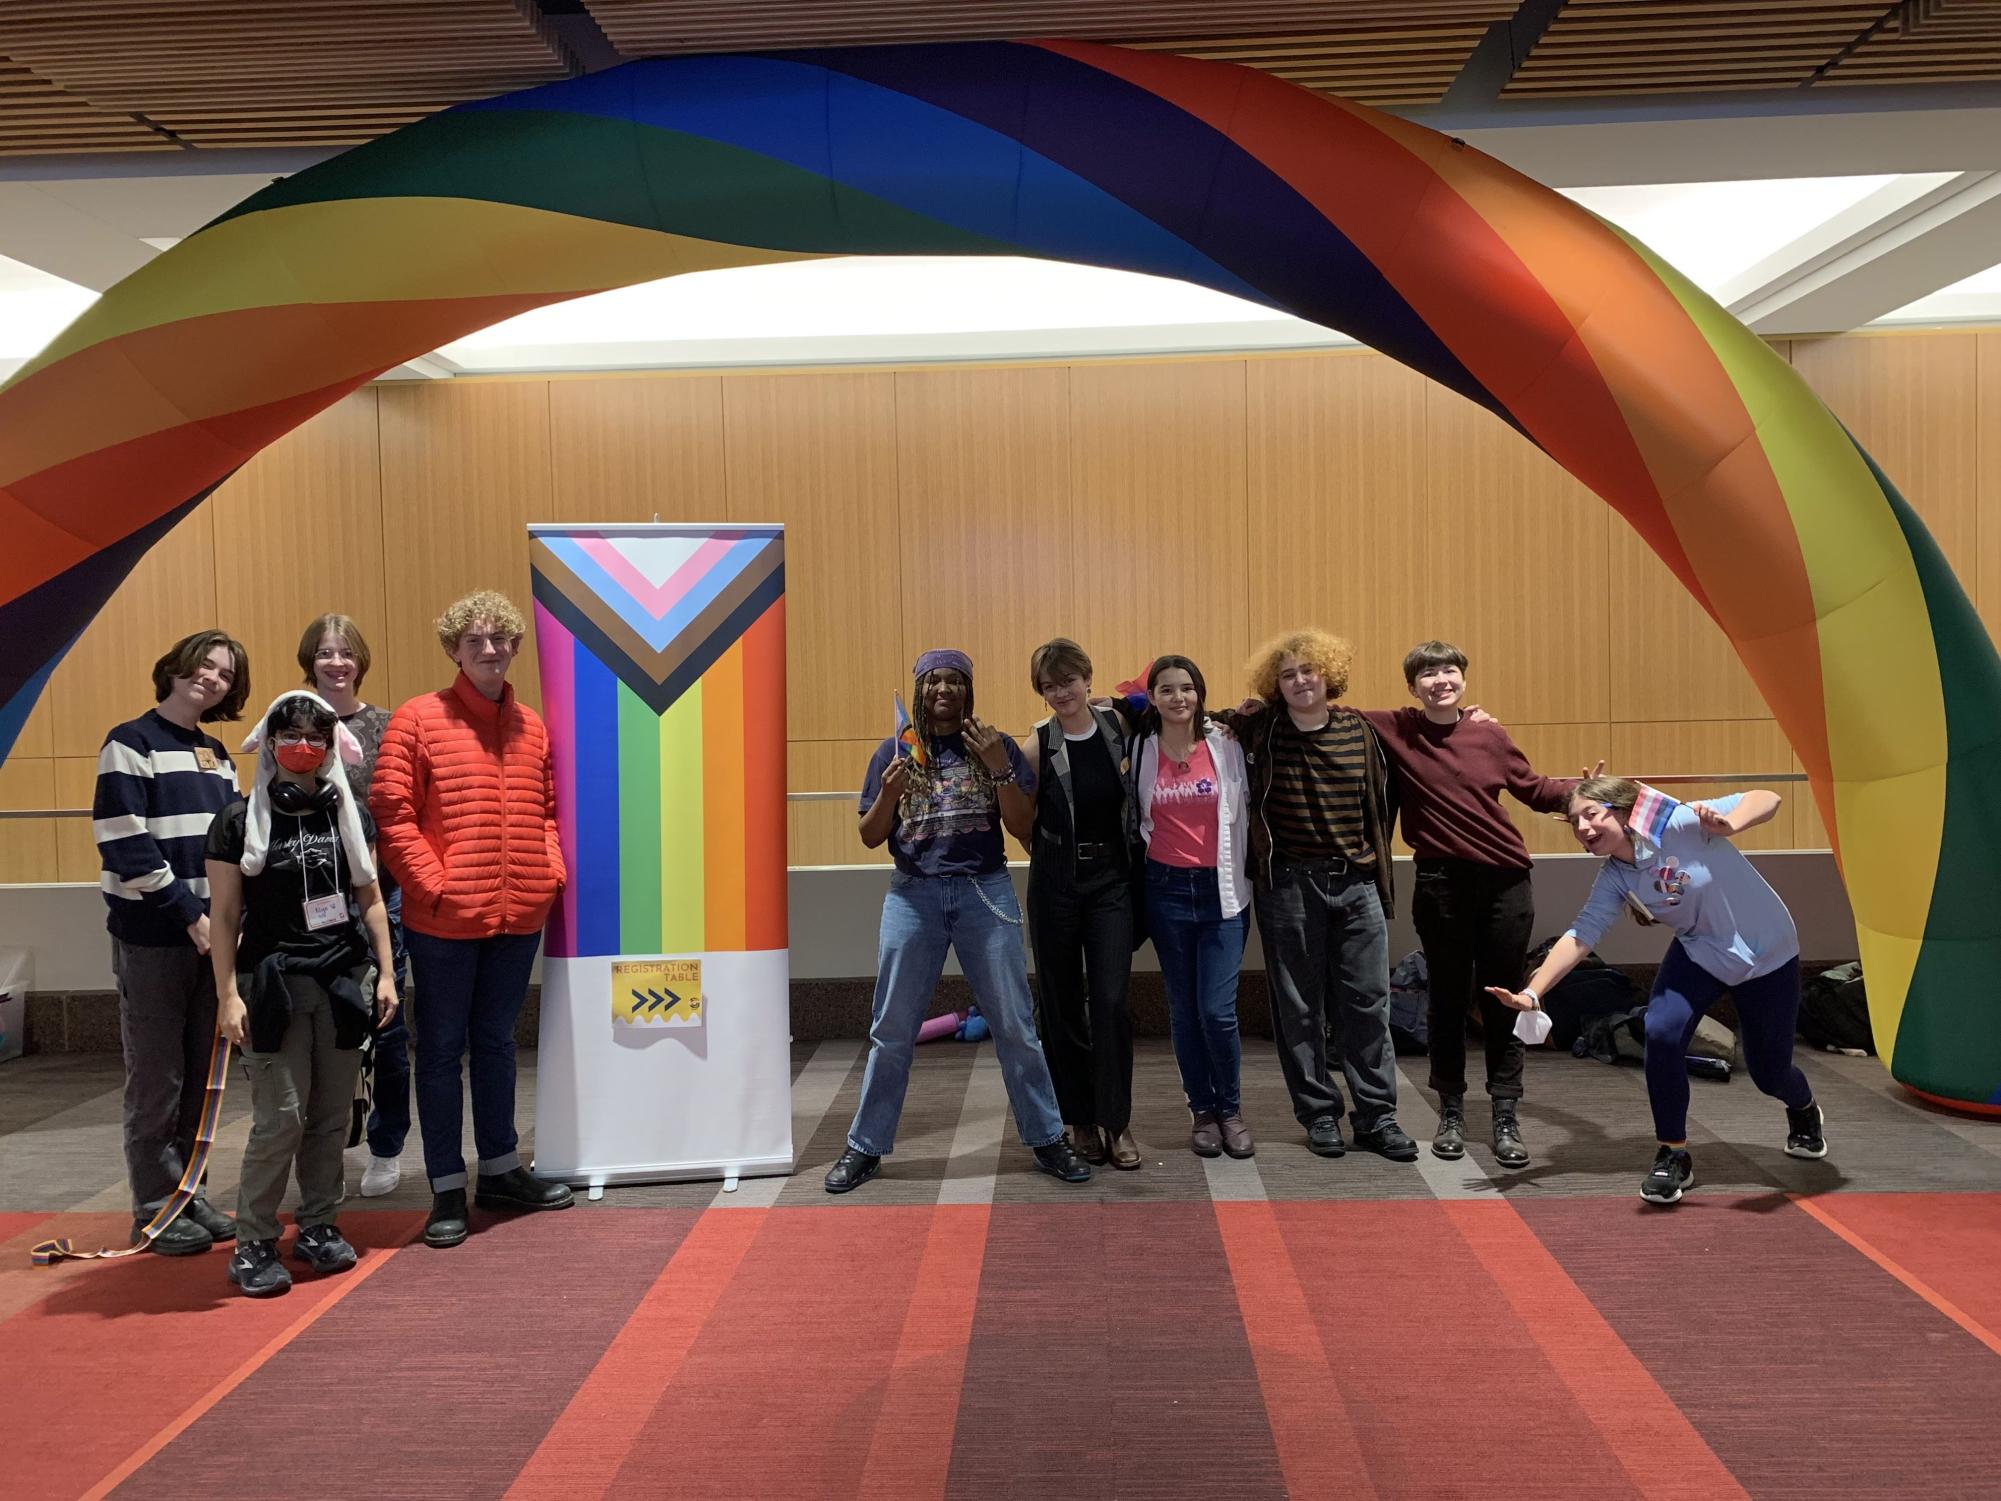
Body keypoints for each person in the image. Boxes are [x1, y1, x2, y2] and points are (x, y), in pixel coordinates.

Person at [1487, 776, 1827, 1205]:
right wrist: (1532, 993)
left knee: (1769, 1073)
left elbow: (1769, 796)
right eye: (1575, 822)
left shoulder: (1681, 823)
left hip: (1770, 955)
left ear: (1623, 811)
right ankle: (1673, 1153)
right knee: (1661, 1031)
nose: (1583, 829)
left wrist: (1731, 823)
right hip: (1700, 952)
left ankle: (1803, 1108)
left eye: (1591, 814)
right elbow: (1582, 933)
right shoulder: (1614, 878)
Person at [825, 649, 1091, 1193]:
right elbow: (871, 835)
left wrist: (998, 766)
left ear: (968, 691)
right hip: (912, 898)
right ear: (920, 691)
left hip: (983, 892)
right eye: (933, 682)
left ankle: (1046, 1138)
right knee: (891, 1030)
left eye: (954, 681)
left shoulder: (991, 747)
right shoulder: (894, 753)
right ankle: (865, 1146)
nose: (943, 690)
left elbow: (1022, 827)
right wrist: (892, 792)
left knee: (1015, 1025)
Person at [370, 589, 573, 1247]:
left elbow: (545, 810)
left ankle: (502, 1169)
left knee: (494, 1043)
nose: (490, 650)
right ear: (454, 648)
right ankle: (446, 1188)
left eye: (501, 639)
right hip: (443, 922)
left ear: (515, 646)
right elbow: (392, 813)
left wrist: (548, 872)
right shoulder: (417, 718)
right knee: (438, 1051)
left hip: (517, 917)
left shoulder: (532, 724)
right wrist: (434, 886)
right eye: (475, 640)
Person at [1357, 642, 1583, 1168]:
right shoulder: (1398, 727)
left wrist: (1588, 789)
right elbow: (1328, 713)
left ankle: (1505, 1113)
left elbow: (1536, 789)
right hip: (1440, 883)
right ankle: (1451, 1110)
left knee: (1506, 997)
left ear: (1464, 679)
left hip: (1505, 881)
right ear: (1412, 687)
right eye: (1428, 673)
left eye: (1450, 671)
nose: (1441, 679)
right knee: (1447, 999)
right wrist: (1254, 711)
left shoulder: (1488, 733)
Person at [206, 691, 400, 1296]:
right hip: (272, 985)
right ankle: (255, 1240)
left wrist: (388, 975)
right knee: (280, 1118)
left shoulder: (350, 814)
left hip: (342, 980)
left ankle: (318, 1224)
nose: (303, 747)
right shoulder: (237, 819)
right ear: (269, 741)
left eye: (316, 738)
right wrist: (227, 996)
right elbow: (226, 912)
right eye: (290, 735)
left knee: (331, 1117)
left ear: (328, 748)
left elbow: (370, 899)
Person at [1215, 630, 1416, 1161]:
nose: (1301, 681)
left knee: (1369, 1005)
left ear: (1328, 675)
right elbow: (1189, 716)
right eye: (1288, 674)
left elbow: (1423, 731)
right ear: (1274, 686)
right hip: (1289, 886)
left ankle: (1377, 1116)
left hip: (1356, 884)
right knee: (1298, 1010)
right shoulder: (1261, 729)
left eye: (1309, 670)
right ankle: (1319, 1114)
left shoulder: (1363, 730)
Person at [93, 629, 249, 1255]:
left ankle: (192, 1195)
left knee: (202, 1077)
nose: (210, 678)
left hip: (214, 940)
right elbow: (124, 842)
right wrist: (189, 914)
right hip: (156, 938)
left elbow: (232, 845)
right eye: (202, 666)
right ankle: (155, 1209)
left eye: (224, 674)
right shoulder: (128, 743)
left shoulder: (220, 754)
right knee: (157, 1079)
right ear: (175, 669)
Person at [296, 613, 409, 1197]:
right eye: (324, 652)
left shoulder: (387, 727)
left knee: (387, 1028)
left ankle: (386, 1148)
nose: (336, 662)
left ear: (360, 661)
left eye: (345, 652)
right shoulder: (291, 721)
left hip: (381, 898)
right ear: (309, 661)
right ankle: (324, 1154)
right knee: (316, 1032)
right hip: (308, 903)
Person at [1019, 639, 1139, 1169]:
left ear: (1088, 678)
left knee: (1112, 1000)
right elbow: (1021, 824)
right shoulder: (1037, 744)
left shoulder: (1121, 728)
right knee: (1061, 1003)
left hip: (1113, 880)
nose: (1060, 693)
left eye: (1068, 681)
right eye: (1049, 686)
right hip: (1056, 882)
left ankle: (1116, 1122)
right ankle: (1079, 1120)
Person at [1133, 655, 1255, 1159]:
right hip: (1165, 890)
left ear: (1200, 692)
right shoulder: (1139, 747)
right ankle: (1200, 1111)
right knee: (1184, 1011)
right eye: (1166, 689)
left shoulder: (1227, 743)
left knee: (1217, 1011)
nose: (1178, 698)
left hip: (1222, 890)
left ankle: (1230, 1109)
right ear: (1153, 698)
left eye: (1187, 688)